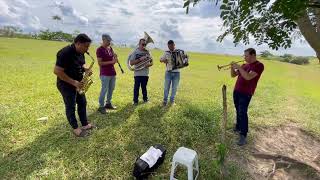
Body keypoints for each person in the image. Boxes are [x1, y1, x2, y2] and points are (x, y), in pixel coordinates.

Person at [54, 33, 94, 137]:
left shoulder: (81, 52)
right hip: (66, 84)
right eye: (86, 46)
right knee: (70, 106)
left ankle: (84, 124)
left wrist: (86, 69)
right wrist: (74, 82)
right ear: (78, 43)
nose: (87, 49)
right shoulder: (64, 53)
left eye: (88, 46)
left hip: (78, 84)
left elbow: (81, 64)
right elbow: (57, 71)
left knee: (82, 103)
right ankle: (76, 128)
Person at [231, 48, 264, 146]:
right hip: (237, 90)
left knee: (242, 112)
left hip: (246, 93)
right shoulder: (244, 65)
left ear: (253, 55)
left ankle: (243, 135)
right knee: (237, 109)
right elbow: (233, 75)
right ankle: (238, 126)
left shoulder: (259, 65)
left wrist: (239, 67)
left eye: (246, 56)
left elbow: (248, 77)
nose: (244, 57)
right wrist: (232, 68)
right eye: (244, 55)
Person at [96, 34, 117, 114]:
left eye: (110, 40)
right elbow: (100, 63)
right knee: (104, 89)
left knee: (111, 89)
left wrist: (115, 58)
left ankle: (108, 103)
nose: (109, 42)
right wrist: (112, 61)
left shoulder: (110, 48)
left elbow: (112, 62)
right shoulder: (99, 49)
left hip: (112, 72)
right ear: (103, 40)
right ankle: (101, 106)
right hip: (104, 73)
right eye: (108, 41)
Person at [128, 38, 153, 105]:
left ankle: (145, 99)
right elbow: (131, 63)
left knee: (144, 87)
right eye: (142, 44)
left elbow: (152, 62)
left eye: (145, 44)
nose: (144, 45)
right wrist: (140, 59)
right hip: (138, 73)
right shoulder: (135, 52)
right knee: (136, 87)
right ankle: (135, 101)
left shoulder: (147, 52)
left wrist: (148, 65)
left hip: (145, 73)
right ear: (139, 44)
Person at [160, 40, 181, 106]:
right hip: (168, 72)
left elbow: (183, 61)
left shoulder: (179, 52)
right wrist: (164, 60)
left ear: (174, 45)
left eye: (171, 46)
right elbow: (160, 59)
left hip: (177, 73)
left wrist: (184, 59)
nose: (170, 47)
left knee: (174, 88)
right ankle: (165, 101)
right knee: (166, 87)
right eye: (169, 46)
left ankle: (172, 101)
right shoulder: (166, 53)